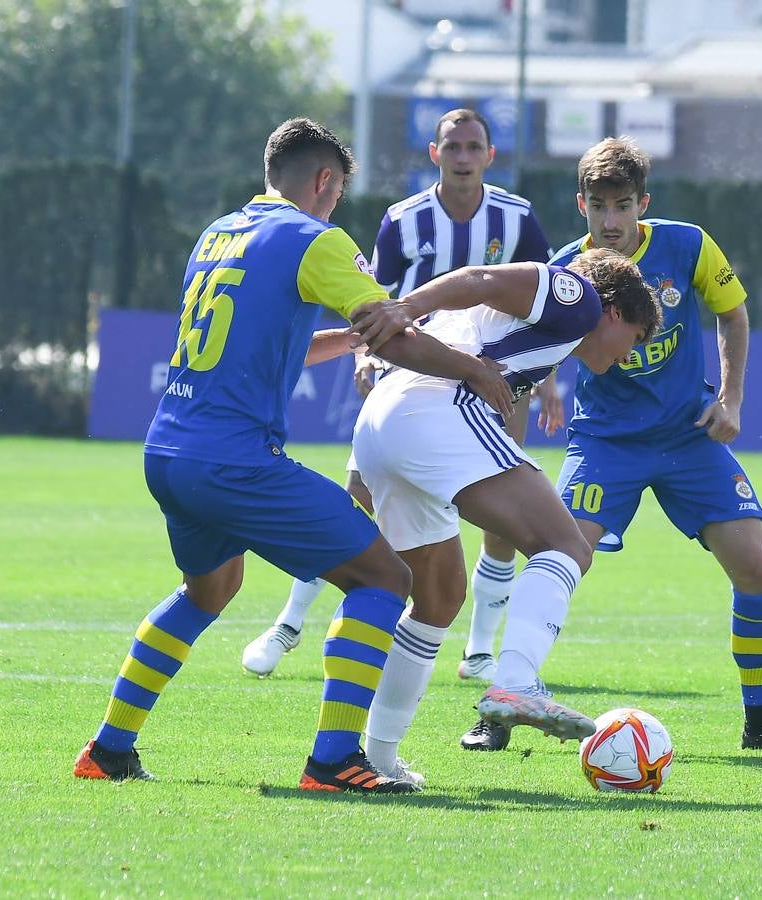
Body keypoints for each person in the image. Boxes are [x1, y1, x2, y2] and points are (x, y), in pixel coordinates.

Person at [72, 117, 513, 793]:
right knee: (384, 579)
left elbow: (275, 343)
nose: (334, 207)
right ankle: (334, 761)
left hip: (169, 450)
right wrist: (473, 369)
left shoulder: (220, 232)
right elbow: (392, 333)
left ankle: (108, 750)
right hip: (234, 460)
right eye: (335, 195)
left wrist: (350, 341)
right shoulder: (316, 238)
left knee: (209, 589)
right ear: (324, 182)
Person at [460, 136, 762, 755]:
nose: (610, 221)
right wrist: (541, 388)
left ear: (642, 204)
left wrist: (731, 401)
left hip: (688, 437)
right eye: (598, 206)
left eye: (622, 206)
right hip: (606, 441)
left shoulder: (688, 245)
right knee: (561, 554)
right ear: (581, 205)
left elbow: (732, 313)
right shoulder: (569, 267)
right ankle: (502, 706)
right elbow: (535, 337)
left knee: (755, 566)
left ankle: (761, 722)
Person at [242, 107, 563, 689]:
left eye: (473, 147)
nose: (463, 157)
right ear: (434, 155)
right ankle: (289, 624)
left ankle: (482, 651)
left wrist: (549, 382)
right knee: (356, 495)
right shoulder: (403, 219)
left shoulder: (517, 217)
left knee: (508, 520)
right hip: (411, 376)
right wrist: (367, 354)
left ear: (489, 157)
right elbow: (375, 300)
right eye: (452, 147)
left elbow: (534, 301)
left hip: (494, 381)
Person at [344, 248, 662, 785]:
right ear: (615, 312)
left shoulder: (552, 338)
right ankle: (516, 678)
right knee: (566, 545)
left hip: (380, 425)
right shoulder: (579, 298)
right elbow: (482, 277)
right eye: (634, 338)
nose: (630, 354)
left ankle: (377, 758)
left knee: (438, 598)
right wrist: (406, 307)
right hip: (432, 413)